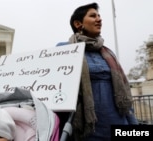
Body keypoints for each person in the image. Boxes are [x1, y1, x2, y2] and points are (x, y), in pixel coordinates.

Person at [56, 2, 138, 141]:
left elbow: (124, 93)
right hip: (87, 132)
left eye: (99, 16)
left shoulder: (108, 53)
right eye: (93, 16)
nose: (99, 19)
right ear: (78, 24)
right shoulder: (65, 49)